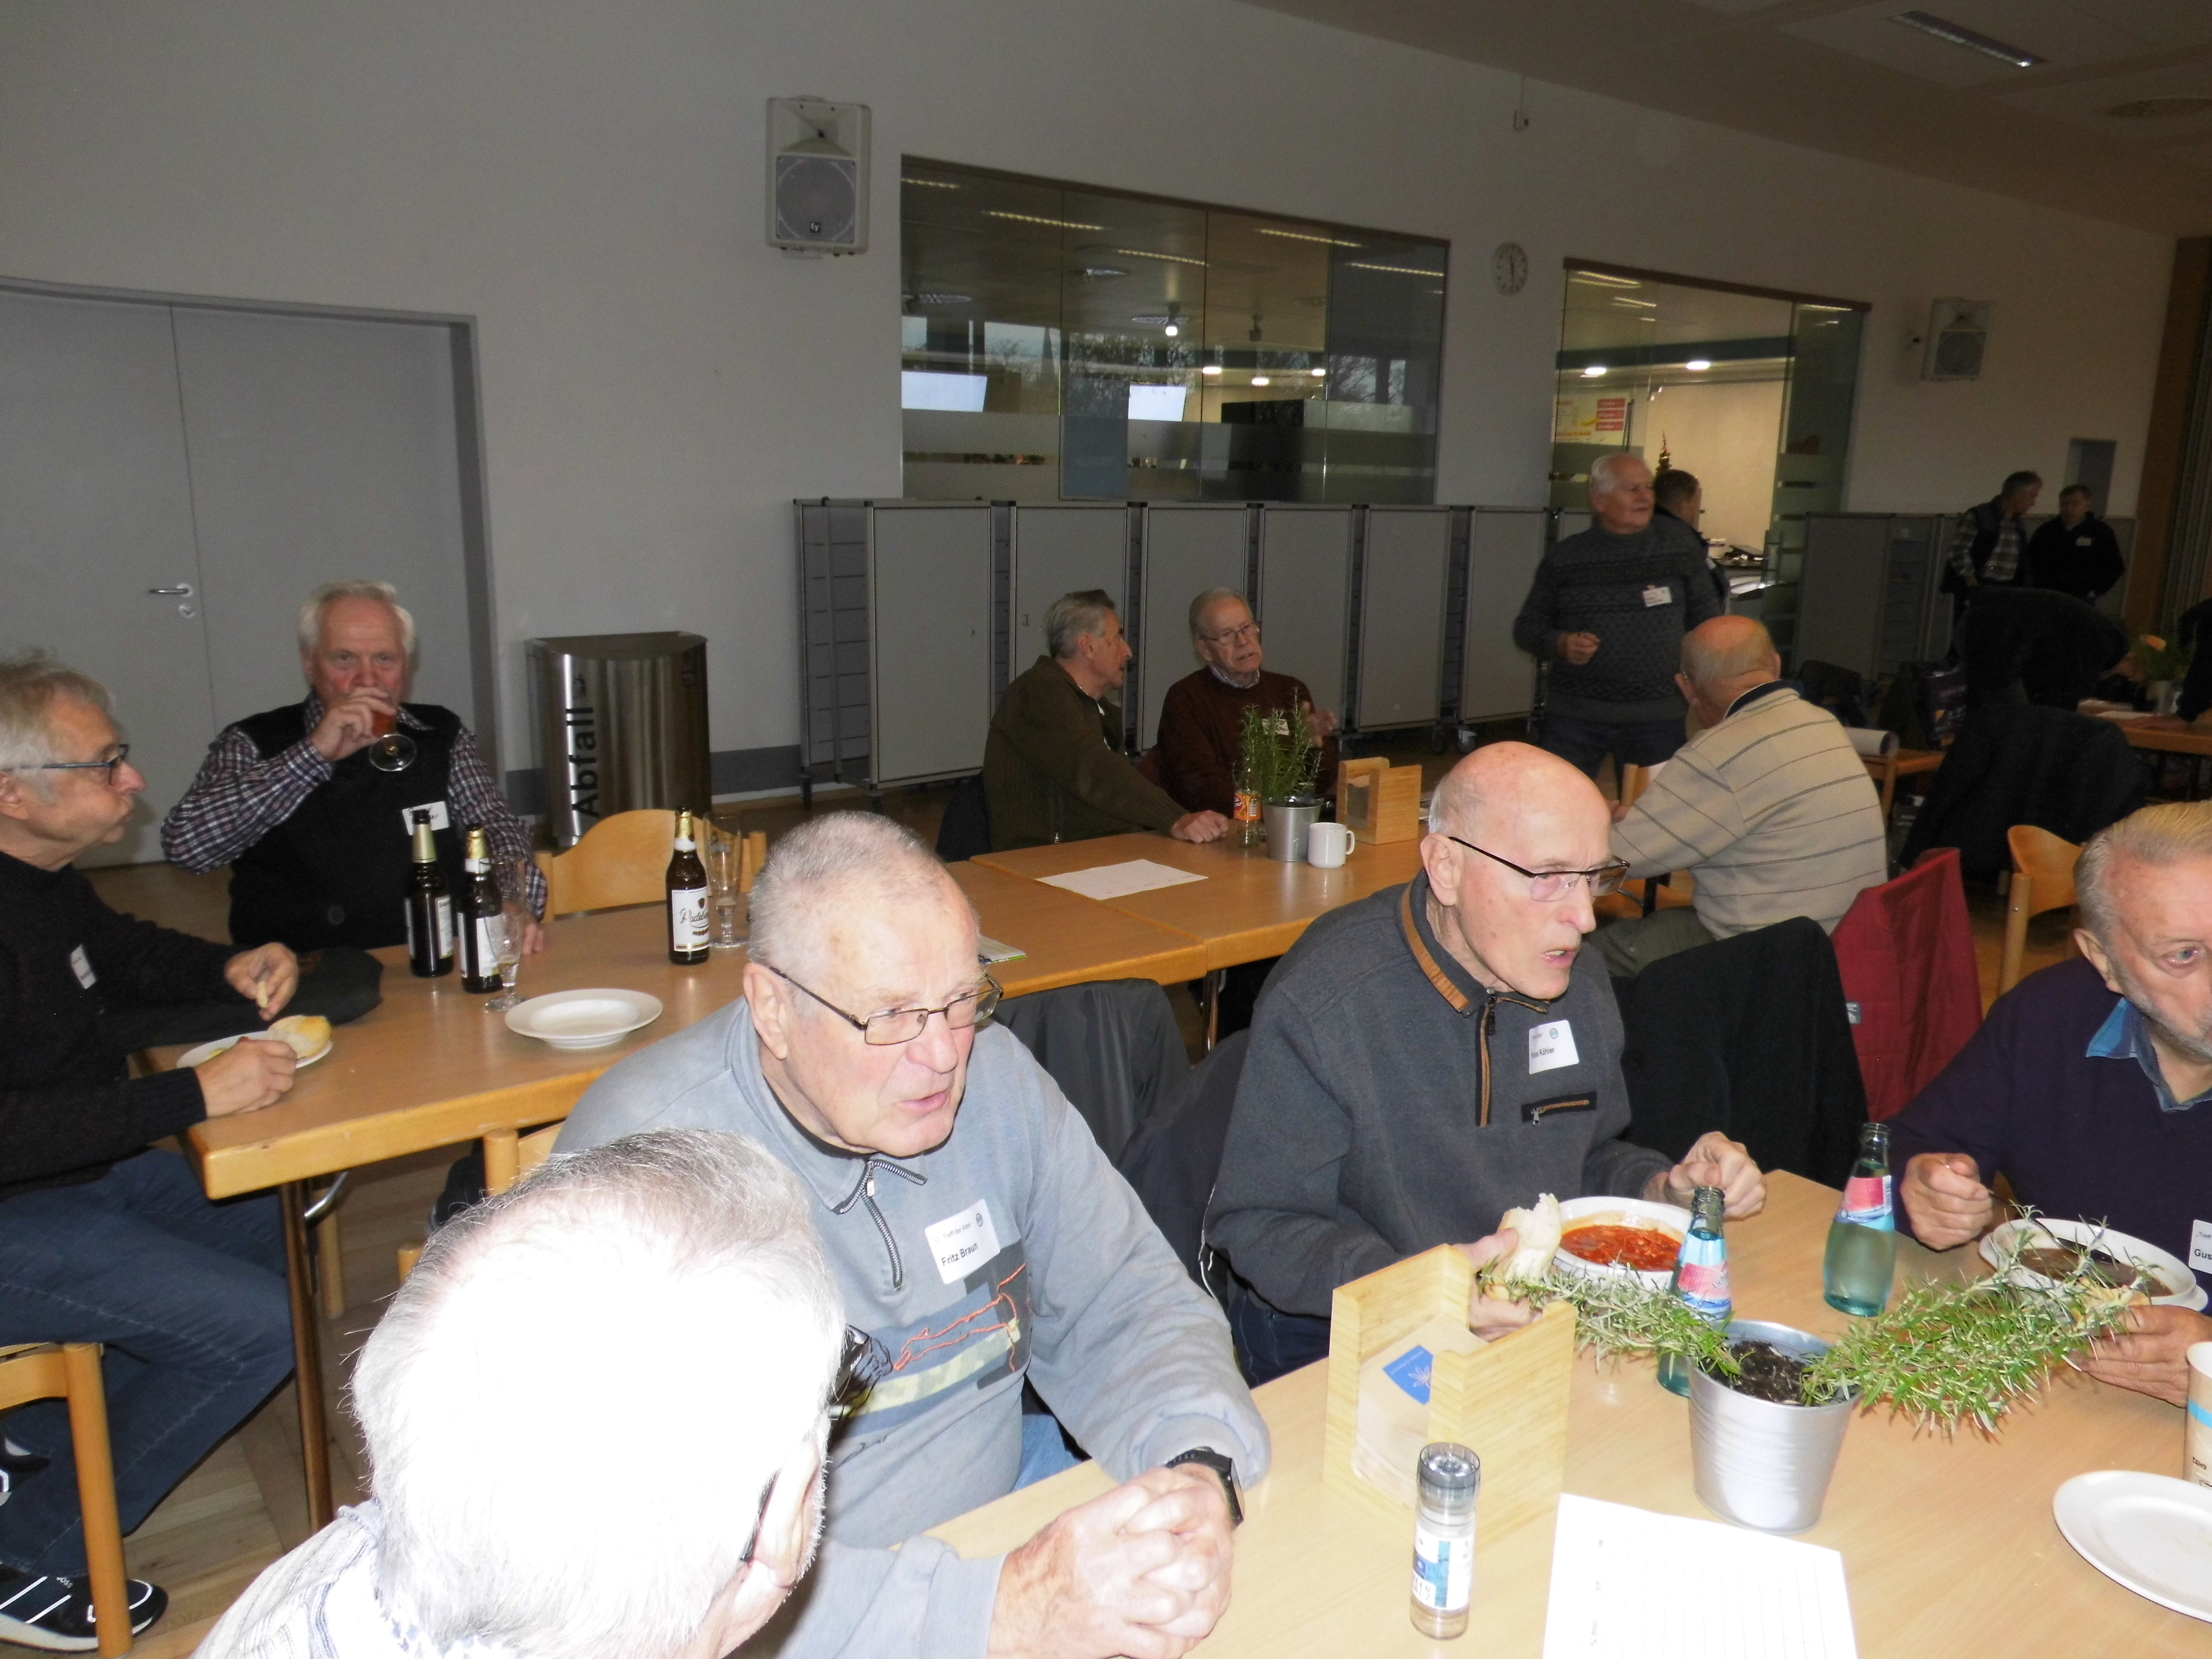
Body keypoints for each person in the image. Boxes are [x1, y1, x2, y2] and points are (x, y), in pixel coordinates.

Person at [558, 811, 1261, 1659]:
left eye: (961, 1001)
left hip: (1004, 1522)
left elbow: (1126, 1299)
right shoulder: (645, 1175)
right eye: (891, 1015)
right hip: (808, 1622)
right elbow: (663, 1576)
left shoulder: (997, 1082)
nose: (943, 1055)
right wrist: (1002, 1610)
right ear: (773, 1008)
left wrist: (1196, 1462)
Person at [1206, 742, 1766, 1383]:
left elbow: (1587, 1154)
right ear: (1446, 868)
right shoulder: (1328, 1000)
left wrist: (1660, 1190)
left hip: (1528, 1312)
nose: (1584, 917)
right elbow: (1261, 1224)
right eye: (1548, 877)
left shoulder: (1575, 979)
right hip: (1342, 1331)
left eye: (1594, 877)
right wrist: (1430, 1293)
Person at [0, 653, 298, 1652]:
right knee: (258, 1328)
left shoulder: (41, 880)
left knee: (278, 1227)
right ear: (12, 794)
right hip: (15, 1208)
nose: (132, 778)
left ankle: (40, 1449)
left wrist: (229, 964)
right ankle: (27, 1551)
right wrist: (192, 1095)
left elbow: (120, 952)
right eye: (104, 763)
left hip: (76, 1175)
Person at [1890, 802, 2212, 1409]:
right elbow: (1911, 1149)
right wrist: (1924, 1187)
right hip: (2057, 1381)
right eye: (2184, 956)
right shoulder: (2050, 1017)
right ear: (2104, 960)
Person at [161, 580, 544, 953]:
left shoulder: (440, 733)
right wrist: (313, 754)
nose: (367, 678)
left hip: (436, 953)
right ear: (310, 664)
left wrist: (511, 898)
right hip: (300, 969)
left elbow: (496, 825)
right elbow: (187, 848)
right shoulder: (253, 741)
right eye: (345, 659)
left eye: (384, 659)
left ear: (406, 666)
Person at [1598, 617, 1888, 978]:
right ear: (1776, 665)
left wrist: (1587, 824)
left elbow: (1614, 861)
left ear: (1686, 687)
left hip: (1768, 963)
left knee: (1593, 951)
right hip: (1844, 948)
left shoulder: (1720, 752)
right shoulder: (1822, 723)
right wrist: (1645, 824)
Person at [1513, 452, 1721, 780]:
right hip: (1576, 717)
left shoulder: (1680, 550)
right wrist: (1562, 643)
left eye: (1648, 488)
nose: (1645, 498)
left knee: (1654, 808)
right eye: (1632, 489)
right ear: (1599, 500)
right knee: (1561, 801)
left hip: (1658, 718)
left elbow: (1710, 624)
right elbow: (1528, 628)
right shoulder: (1566, 559)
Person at [984, 591, 1229, 851]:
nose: (1128, 652)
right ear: (1088, 646)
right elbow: (1094, 770)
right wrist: (1174, 818)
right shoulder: (1037, 694)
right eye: (1118, 638)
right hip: (1042, 859)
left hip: (1097, 851)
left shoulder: (1103, 711)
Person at [1154, 589, 1339, 818]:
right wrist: (1264, 813)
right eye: (1226, 635)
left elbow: (1324, 785)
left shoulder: (1290, 690)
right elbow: (1201, 790)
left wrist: (1312, 745)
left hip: (1287, 822)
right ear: (1204, 650)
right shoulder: (1186, 699)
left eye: (1247, 628)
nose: (1243, 641)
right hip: (1226, 829)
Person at [1954, 583, 2130, 709]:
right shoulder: (2103, 641)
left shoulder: (2092, 630)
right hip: (1995, 633)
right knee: (2011, 714)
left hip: (1984, 619)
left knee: (2002, 710)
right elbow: (2071, 690)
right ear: (2131, 660)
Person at [1941, 470, 2042, 632]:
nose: (2033, 503)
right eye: (2032, 496)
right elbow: (1958, 550)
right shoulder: (1979, 516)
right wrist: (1972, 582)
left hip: (2006, 589)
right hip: (1979, 586)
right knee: (1971, 633)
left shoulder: (2018, 523)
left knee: (1998, 635)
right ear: (2018, 494)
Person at [2024, 484, 2126, 603]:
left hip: (2082, 597)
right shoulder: (2047, 530)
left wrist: (2095, 591)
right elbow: (2031, 561)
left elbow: (2114, 566)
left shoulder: (2100, 531)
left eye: (2075, 504)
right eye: (2064, 504)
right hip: (2048, 595)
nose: (2069, 509)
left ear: (2087, 506)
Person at [1652, 467, 1729, 614]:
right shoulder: (1682, 539)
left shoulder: (1644, 529)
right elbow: (1711, 589)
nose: (1696, 510)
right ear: (1684, 505)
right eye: (1695, 502)